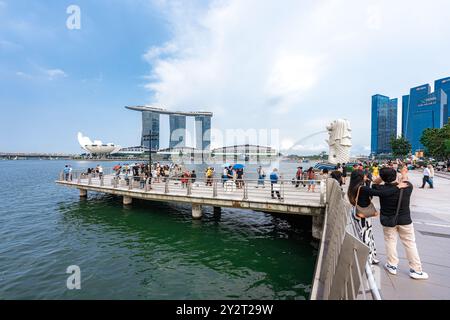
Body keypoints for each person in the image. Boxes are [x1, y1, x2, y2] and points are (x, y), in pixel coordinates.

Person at [373, 167, 429, 280]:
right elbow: (405, 180)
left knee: (390, 241)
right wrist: (403, 174)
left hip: (388, 220)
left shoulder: (379, 188)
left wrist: (381, 177)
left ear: (383, 178)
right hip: (405, 220)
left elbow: (375, 182)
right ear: (395, 176)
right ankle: (416, 270)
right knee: (410, 243)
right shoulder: (407, 187)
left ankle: (392, 265)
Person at [347, 170, 407, 265]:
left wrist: (369, 181)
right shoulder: (362, 188)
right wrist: (398, 187)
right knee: (366, 236)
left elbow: (373, 186)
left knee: (367, 234)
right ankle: (367, 258)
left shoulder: (354, 187)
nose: (366, 176)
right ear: (360, 177)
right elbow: (382, 194)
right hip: (363, 216)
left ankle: (370, 256)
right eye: (364, 175)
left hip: (359, 213)